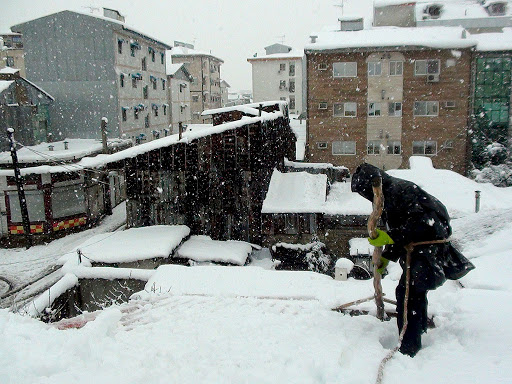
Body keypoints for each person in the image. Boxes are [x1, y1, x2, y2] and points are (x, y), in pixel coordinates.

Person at [351, 163, 474, 357]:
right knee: (414, 290)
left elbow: (419, 225)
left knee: (408, 293)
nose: (365, 195)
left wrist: (391, 237)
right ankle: (418, 329)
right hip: (421, 246)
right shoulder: (388, 195)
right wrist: (386, 256)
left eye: (363, 191)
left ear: (371, 184)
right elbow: (404, 233)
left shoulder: (398, 192)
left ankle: (409, 347)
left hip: (427, 245)